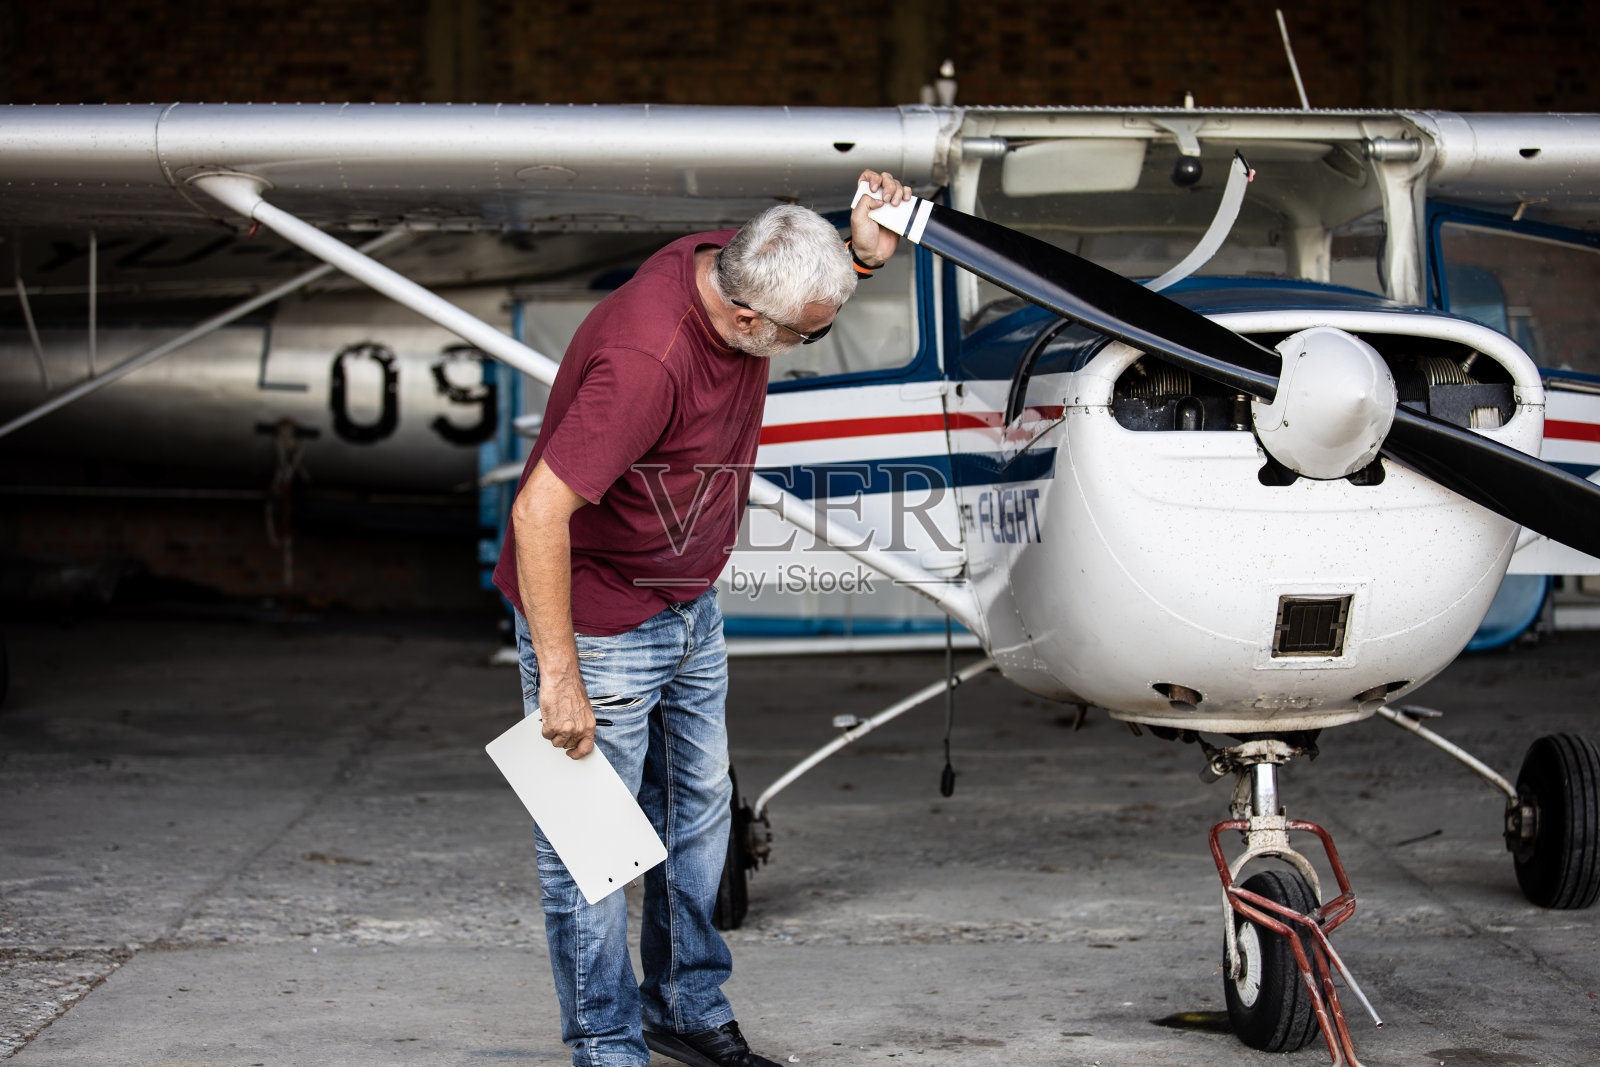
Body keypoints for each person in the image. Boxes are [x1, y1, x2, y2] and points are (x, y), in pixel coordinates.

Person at [492, 169, 909, 1067]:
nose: (811, 341)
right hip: (600, 621)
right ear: (752, 323)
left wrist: (862, 261)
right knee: (589, 849)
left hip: (688, 603)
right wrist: (560, 680)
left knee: (699, 815)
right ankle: (608, 1041)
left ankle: (682, 1003)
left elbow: (800, 272)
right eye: (810, 334)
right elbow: (537, 513)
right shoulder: (648, 361)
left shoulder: (725, 264)